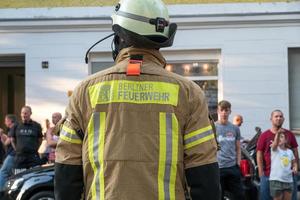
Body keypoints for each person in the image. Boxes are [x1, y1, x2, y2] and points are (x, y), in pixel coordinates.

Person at [54, 0, 220, 199]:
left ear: (119, 38)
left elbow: (66, 174)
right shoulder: (188, 93)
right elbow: (204, 175)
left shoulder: (85, 91)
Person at [257, 109, 298, 200]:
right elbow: (259, 153)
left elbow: (295, 152)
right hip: (268, 174)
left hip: (288, 175)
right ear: (271, 119)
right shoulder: (264, 135)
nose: (278, 118)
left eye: (281, 116)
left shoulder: (289, 134)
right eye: (276, 116)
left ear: (283, 119)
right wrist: (260, 172)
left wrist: (296, 167)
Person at [216, 100, 244, 199]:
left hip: (232, 167)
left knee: (240, 195)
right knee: (219, 196)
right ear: (218, 111)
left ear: (230, 112)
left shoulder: (235, 128)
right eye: (222, 110)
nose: (224, 112)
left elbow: (238, 148)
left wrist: (238, 163)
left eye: (226, 110)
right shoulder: (213, 127)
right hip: (218, 167)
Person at [11, 106, 43, 174]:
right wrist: (17, 150)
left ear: (30, 113)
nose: (23, 115)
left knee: (34, 177)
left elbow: (40, 139)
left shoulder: (37, 125)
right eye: (22, 113)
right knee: (19, 177)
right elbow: (12, 140)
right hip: (19, 158)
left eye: (25, 113)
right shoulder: (16, 125)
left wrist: (35, 148)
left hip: (33, 157)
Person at [269, 130, 297, 200]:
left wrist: (295, 167)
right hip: (276, 180)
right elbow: (275, 145)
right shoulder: (274, 149)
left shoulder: (290, 151)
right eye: (277, 137)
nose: (279, 138)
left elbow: (294, 162)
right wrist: (278, 133)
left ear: (285, 140)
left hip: (288, 180)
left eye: (281, 137)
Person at [0, 114, 17, 191]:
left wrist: (0, 135)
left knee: (3, 172)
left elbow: (6, 143)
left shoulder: (13, 128)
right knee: (12, 174)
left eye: (6, 121)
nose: (5, 122)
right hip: (15, 154)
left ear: (10, 121)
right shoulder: (17, 127)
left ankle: (1, 192)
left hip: (13, 154)